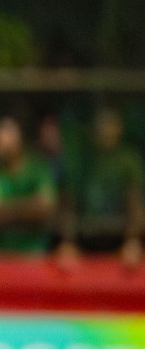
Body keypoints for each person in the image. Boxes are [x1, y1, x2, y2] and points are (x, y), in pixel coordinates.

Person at [58, 106, 145, 265]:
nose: (105, 130)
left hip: (118, 239)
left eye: (110, 125)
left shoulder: (128, 161)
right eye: (101, 126)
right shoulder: (81, 160)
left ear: (119, 129)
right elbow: (68, 205)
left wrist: (132, 241)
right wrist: (68, 242)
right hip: (85, 240)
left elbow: (135, 204)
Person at [0, 116, 55, 254]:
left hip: (34, 256)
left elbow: (45, 206)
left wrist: (6, 209)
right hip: (2, 256)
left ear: (20, 138)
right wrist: (28, 208)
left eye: (7, 133)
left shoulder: (37, 170)